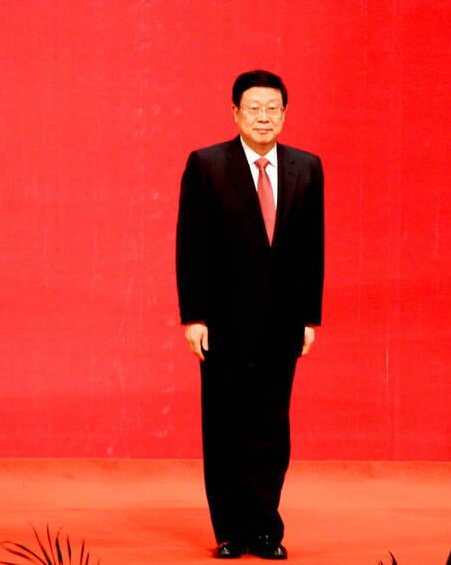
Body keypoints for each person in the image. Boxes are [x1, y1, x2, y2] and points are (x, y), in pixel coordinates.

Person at [176, 70, 324, 559]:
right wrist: (194, 316)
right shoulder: (207, 165)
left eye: (273, 108)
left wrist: (309, 318)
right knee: (224, 426)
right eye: (254, 108)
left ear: (285, 113)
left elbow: (312, 248)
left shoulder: (307, 167)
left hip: (282, 322)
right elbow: (191, 245)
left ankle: (265, 529)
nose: (264, 117)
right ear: (235, 112)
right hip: (222, 322)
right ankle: (230, 531)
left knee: (271, 428)